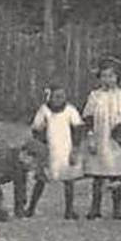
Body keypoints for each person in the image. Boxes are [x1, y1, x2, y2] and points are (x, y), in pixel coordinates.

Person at [80, 56, 121, 220]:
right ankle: (95, 208)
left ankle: (117, 210)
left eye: (111, 76)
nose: (107, 79)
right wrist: (90, 138)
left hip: (118, 141)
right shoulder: (95, 96)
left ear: (117, 77)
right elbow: (88, 119)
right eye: (104, 76)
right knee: (98, 175)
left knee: (117, 174)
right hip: (100, 139)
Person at [26, 83, 84, 218]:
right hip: (48, 150)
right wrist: (41, 146)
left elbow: (78, 130)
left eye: (62, 96)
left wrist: (75, 148)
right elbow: (36, 129)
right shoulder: (44, 110)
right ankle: (31, 208)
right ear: (49, 97)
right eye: (56, 96)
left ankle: (69, 210)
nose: (59, 99)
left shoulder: (70, 110)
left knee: (69, 180)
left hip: (65, 149)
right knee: (41, 179)